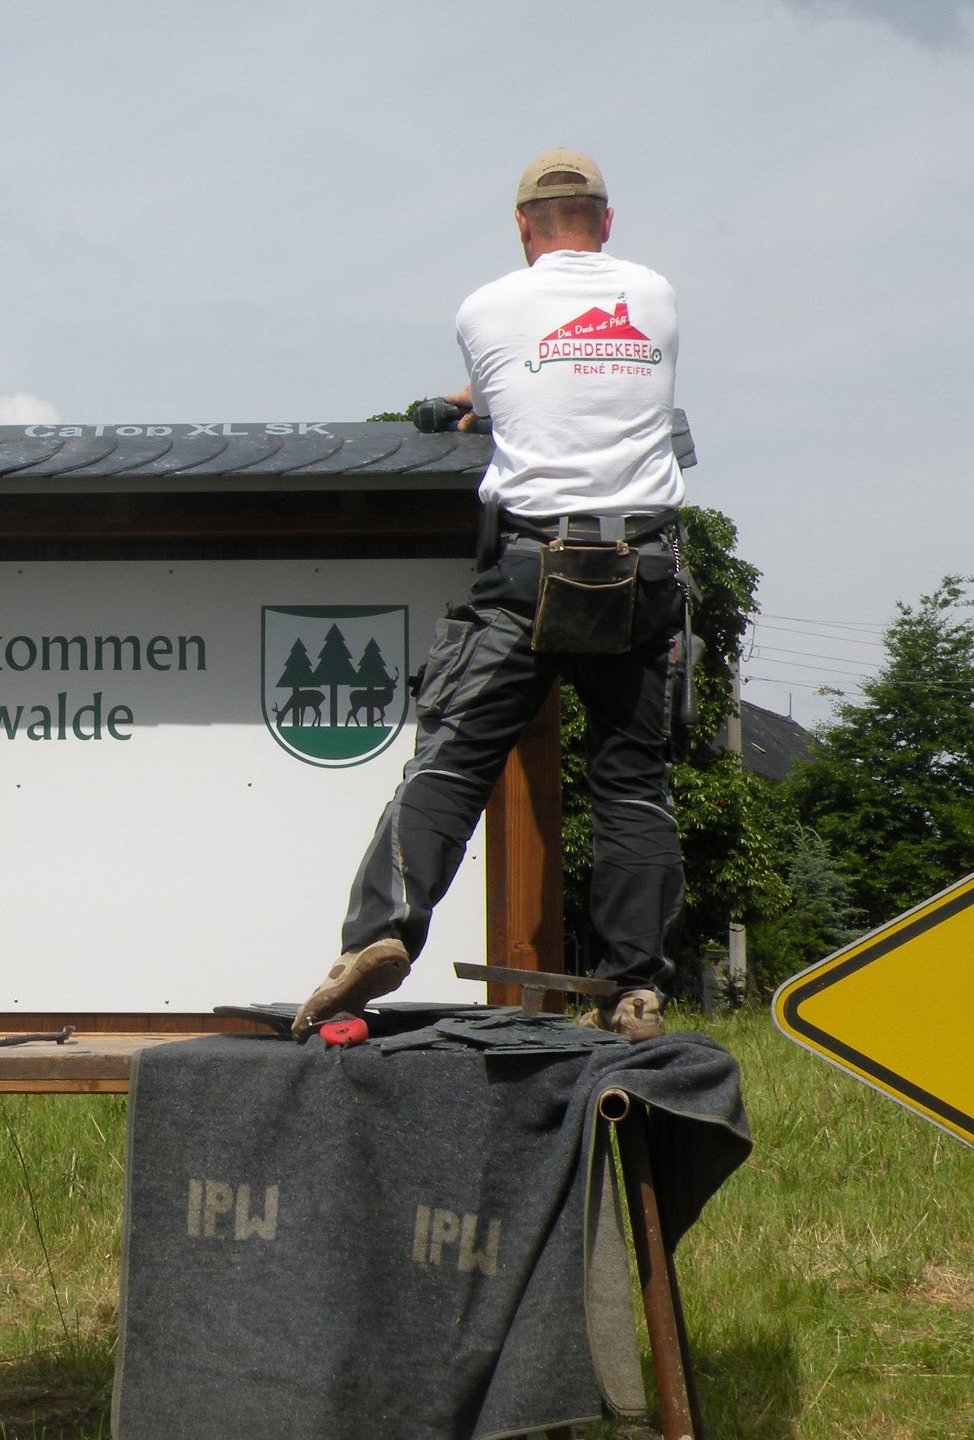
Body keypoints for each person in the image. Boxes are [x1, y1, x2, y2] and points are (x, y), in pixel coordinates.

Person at [296, 147, 687, 1044]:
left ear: (522, 227)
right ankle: (634, 988)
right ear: (607, 221)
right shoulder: (657, 298)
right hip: (640, 569)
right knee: (632, 784)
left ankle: (383, 932)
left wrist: (460, 408)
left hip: (529, 570)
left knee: (451, 763)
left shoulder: (486, 308)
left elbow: (513, 387)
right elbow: (582, 379)